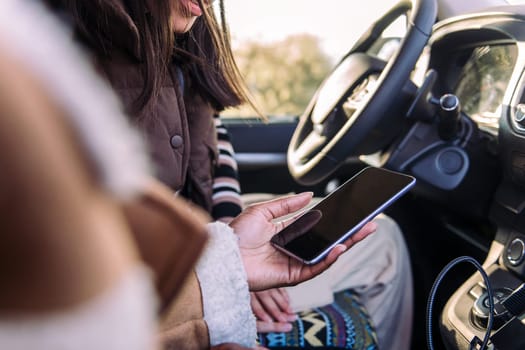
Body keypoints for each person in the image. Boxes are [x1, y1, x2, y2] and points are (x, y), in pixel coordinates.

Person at [0, 2, 377, 350]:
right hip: (172, 274)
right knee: (384, 246)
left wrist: (228, 232)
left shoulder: (177, 43)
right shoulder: (52, 58)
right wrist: (225, 276)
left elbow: (215, 138)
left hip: (203, 246)